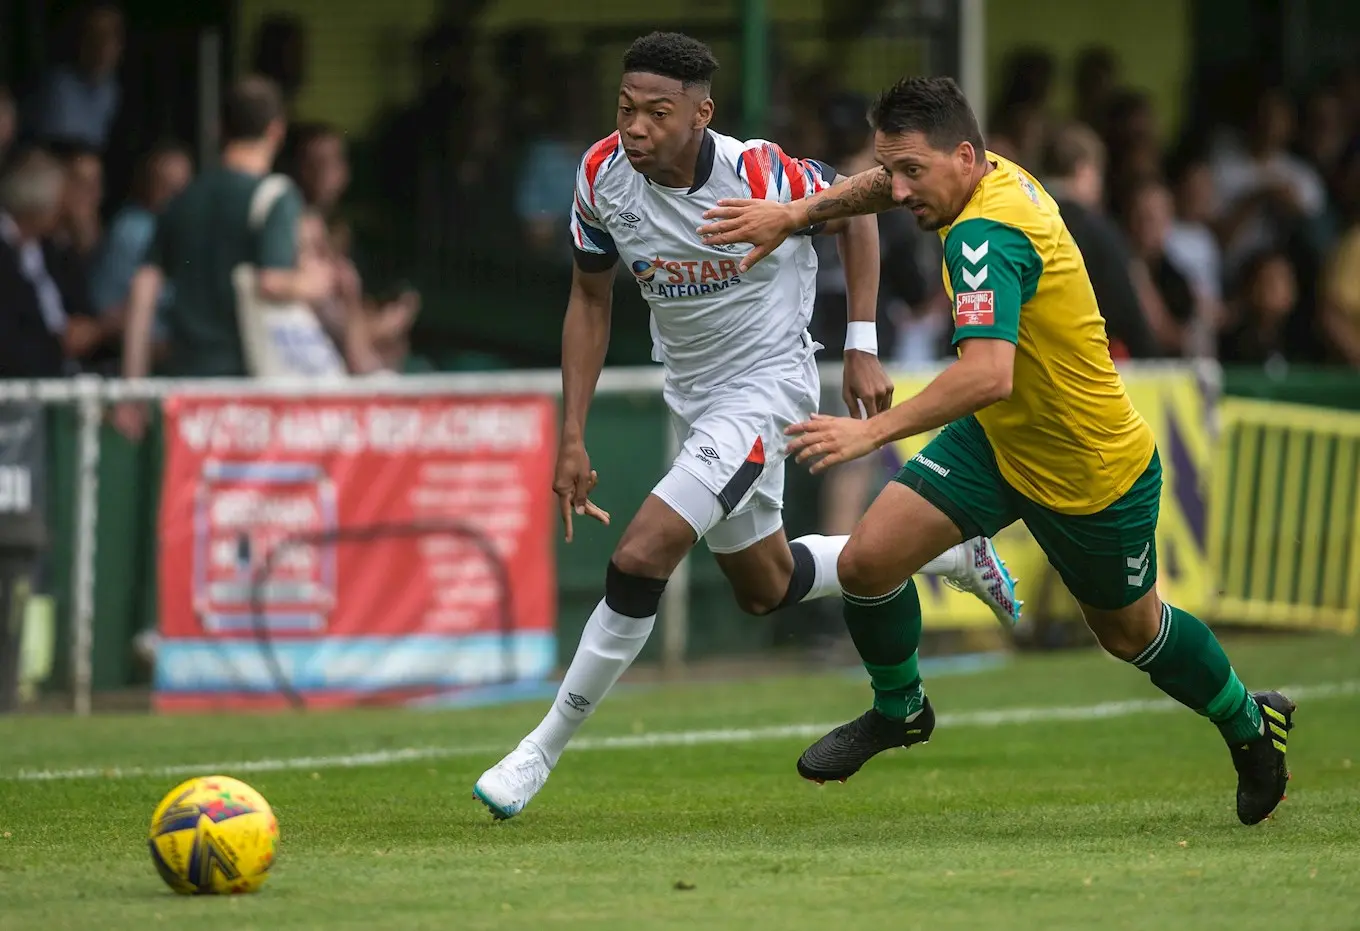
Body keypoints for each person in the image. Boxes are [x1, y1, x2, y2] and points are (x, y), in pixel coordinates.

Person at [698, 76, 1293, 827]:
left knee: (1130, 633)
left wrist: (870, 432)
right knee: (866, 563)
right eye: (896, 169)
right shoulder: (977, 176)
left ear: (965, 157)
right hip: (1003, 440)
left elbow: (987, 372)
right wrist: (797, 211)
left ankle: (1248, 721)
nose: (901, 188)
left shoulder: (987, 233)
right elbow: (886, 183)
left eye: (915, 171)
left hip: (1088, 469)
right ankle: (901, 710)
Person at [473, 35, 1021, 821]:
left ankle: (541, 747)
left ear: (703, 114)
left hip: (765, 391)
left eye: (658, 114)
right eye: (626, 109)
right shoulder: (599, 178)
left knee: (639, 554)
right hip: (694, 395)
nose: (636, 128)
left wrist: (860, 345)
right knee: (764, 584)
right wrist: (573, 434)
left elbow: (860, 206)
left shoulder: (758, 172)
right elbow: (590, 301)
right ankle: (944, 554)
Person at [113, 76, 334, 437]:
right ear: (277, 130)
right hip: (250, 391)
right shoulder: (276, 197)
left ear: (220, 128)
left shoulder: (184, 198)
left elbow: (143, 288)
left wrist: (132, 393)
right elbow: (272, 281)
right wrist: (315, 282)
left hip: (185, 389)